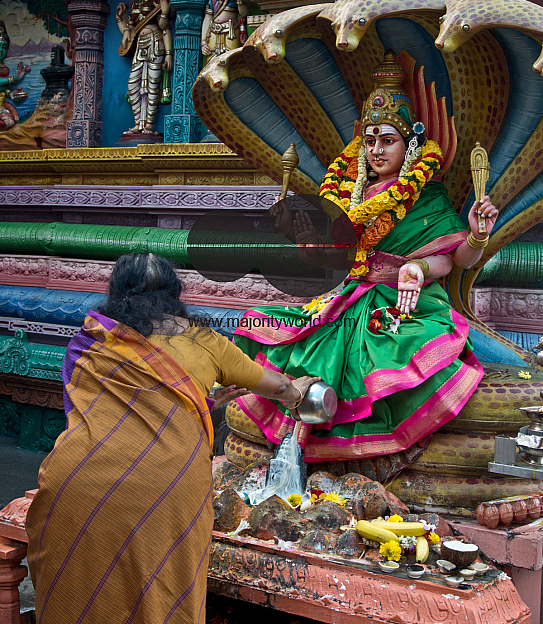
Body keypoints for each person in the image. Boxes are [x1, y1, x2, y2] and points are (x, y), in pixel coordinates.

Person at [233, 50, 499, 462]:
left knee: (389, 355)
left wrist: (467, 241)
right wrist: (300, 234)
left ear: (410, 144)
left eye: (387, 140)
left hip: (407, 300)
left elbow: (456, 259)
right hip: (349, 296)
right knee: (283, 335)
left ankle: (376, 451)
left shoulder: (426, 194)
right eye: (370, 140)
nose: (376, 150)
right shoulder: (349, 194)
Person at [25, 252, 320, 624]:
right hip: (165, 486)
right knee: (161, 584)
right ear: (174, 292)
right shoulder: (206, 342)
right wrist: (298, 391)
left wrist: (200, 402)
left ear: (117, 293)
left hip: (78, 479)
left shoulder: (92, 340)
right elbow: (274, 385)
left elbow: (116, 413)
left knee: (78, 581)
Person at [116, 0, 173, 135]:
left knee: (152, 86)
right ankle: (137, 124)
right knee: (133, 86)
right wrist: (121, 20)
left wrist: (163, 11)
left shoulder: (157, 1)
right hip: (139, 47)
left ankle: (148, 126)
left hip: (156, 45)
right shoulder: (135, 5)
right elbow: (129, 31)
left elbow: (164, 27)